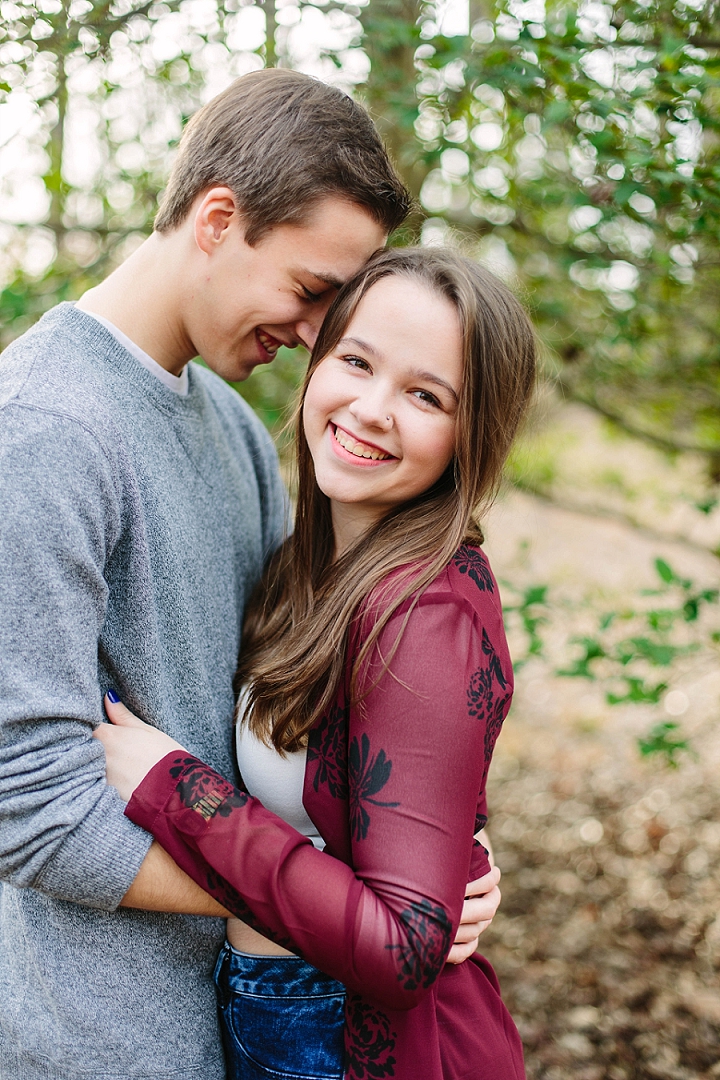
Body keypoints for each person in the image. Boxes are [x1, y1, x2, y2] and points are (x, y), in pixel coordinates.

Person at [0, 71, 497, 1080]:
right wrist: (348, 901)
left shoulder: (229, 423)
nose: (318, 340)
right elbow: (31, 810)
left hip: (267, 1018)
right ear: (219, 220)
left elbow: (312, 709)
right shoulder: (44, 434)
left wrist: (424, 867)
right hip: (108, 1041)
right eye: (314, 293)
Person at [95, 246, 536, 1080]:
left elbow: (405, 949)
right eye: (357, 361)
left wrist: (181, 793)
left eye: (425, 395)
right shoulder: (313, 563)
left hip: (344, 1037)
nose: (372, 409)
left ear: (468, 434)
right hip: (281, 1007)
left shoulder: (424, 613)